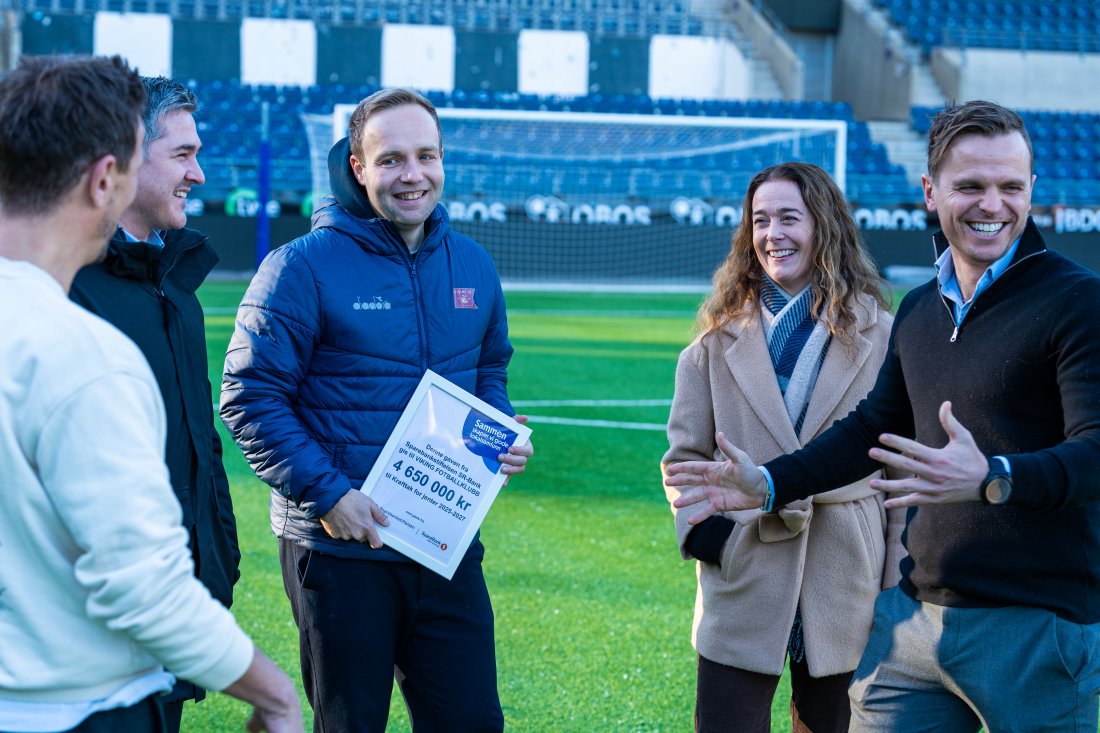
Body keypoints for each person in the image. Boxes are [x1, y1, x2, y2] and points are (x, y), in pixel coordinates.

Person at [665, 100, 1100, 732]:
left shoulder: (1078, 300)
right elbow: (871, 431)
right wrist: (770, 484)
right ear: (931, 191)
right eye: (970, 186)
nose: (992, 204)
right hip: (915, 628)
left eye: (1010, 186)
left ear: (1033, 189)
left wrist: (995, 475)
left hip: (1034, 625)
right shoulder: (923, 311)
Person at [0, 55, 302, 733]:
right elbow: (142, 587)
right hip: (76, 705)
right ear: (108, 177)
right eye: (171, 155)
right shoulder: (83, 353)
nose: (195, 174)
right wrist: (274, 692)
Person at [220, 87, 533, 733]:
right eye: (391, 159)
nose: (412, 174)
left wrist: (499, 433)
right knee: (350, 724)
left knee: (473, 721)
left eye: (427, 155)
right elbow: (249, 395)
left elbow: (489, 369)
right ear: (358, 168)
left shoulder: (472, 261)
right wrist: (330, 494)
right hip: (341, 550)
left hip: (444, 542)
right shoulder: (299, 267)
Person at [662, 162, 903, 733]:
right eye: (761, 220)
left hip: (847, 574)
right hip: (745, 573)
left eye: (789, 218)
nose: (774, 235)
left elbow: (900, 468)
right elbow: (682, 466)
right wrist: (711, 538)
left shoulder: (884, 336)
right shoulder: (710, 348)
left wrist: (892, 579)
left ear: (824, 226)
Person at [67, 76, 236, 733]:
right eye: (183, 154)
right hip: (92, 630)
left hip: (172, 611)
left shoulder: (177, 293)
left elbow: (201, 448)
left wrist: (213, 572)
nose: (198, 172)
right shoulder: (64, 288)